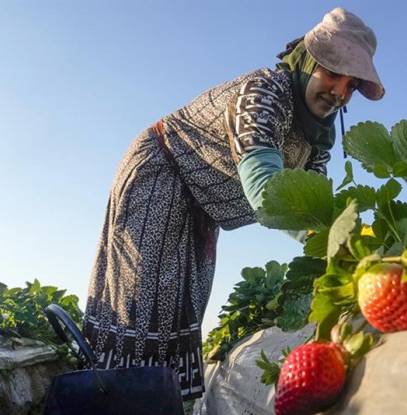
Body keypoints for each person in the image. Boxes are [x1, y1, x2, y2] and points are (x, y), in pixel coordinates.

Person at [82, 7, 385, 401]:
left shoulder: (319, 139)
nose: (339, 93)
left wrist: (351, 240)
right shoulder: (265, 93)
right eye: (332, 74)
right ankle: (107, 401)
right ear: (308, 60)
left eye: (351, 86)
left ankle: (156, 403)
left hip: (202, 205)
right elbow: (266, 187)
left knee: (182, 309)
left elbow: (315, 208)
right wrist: (342, 244)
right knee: (142, 304)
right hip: (161, 172)